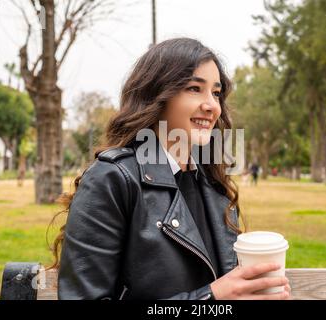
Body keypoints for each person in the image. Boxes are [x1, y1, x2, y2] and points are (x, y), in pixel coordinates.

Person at [50, 38, 290, 300]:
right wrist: (210, 299)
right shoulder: (112, 179)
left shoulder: (213, 183)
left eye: (216, 92)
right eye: (194, 88)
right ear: (157, 97)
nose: (211, 105)